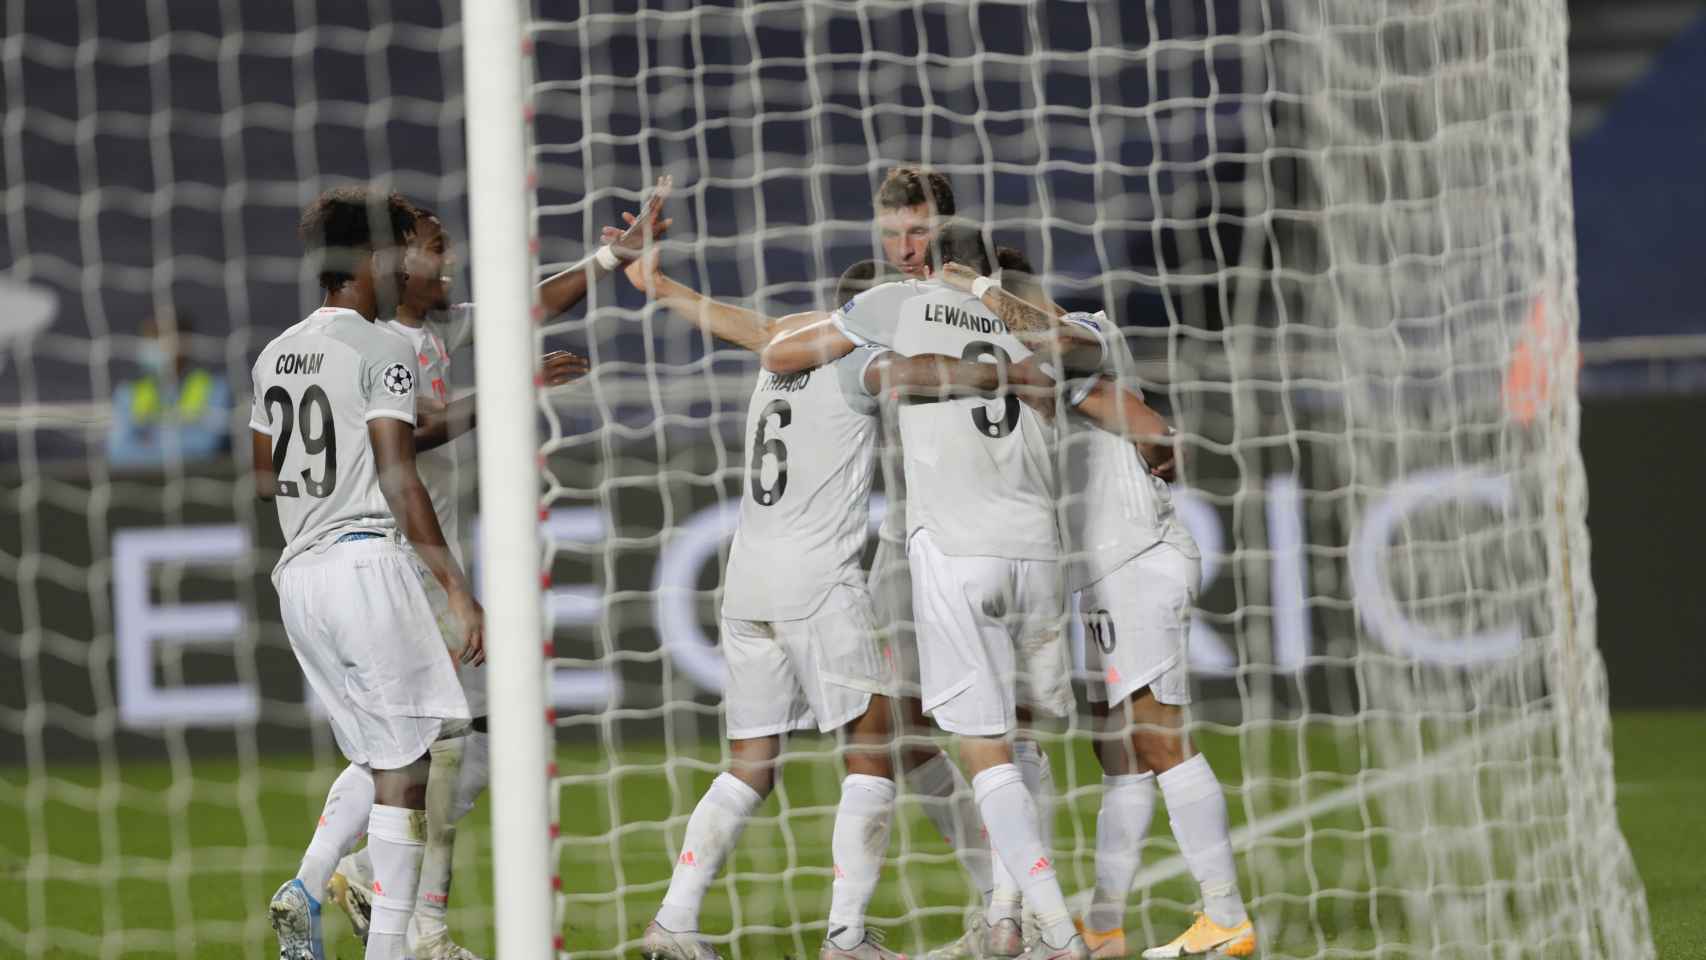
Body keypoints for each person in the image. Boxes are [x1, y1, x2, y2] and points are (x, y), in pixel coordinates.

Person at [611, 167, 1003, 958]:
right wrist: (998, 363)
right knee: (878, 744)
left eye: (916, 233)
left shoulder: (786, 350)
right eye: (896, 238)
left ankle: (672, 923)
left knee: (753, 763)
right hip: (818, 582)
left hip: (746, 580)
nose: (907, 251)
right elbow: (910, 374)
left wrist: (657, 285)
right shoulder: (866, 353)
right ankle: (847, 936)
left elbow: (754, 328)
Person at [305, 181, 672, 960]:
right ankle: (387, 907)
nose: (450, 260)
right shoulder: (379, 346)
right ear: (393, 258)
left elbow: (530, 305)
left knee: (461, 742)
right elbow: (411, 442)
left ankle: (372, 880)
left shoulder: (433, 327)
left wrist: (613, 254)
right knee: (436, 743)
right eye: (435, 246)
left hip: (427, 555)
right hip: (398, 561)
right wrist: (511, 391)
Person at [937, 264, 1256, 959]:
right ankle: (1105, 927)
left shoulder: (1083, 335)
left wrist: (983, 292)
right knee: (1118, 748)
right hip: (1102, 572)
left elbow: (1117, 399)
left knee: (1157, 734)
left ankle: (1226, 915)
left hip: (1136, 556)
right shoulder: (1031, 362)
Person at [254, 186, 479, 960]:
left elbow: (264, 471)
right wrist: (454, 584)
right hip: (364, 563)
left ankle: (314, 891)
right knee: (411, 769)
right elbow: (399, 472)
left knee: (388, 756)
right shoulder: (381, 349)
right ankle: (392, 945)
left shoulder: (274, 352)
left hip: (300, 574)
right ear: (370, 261)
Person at [108, 308, 231, 467]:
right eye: (148, 339)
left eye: (157, 338)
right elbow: (118, 452)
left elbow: (204, 448)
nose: (150, 347)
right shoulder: (128, 393)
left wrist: (149, 443)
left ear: (182, 345)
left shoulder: (215, 390)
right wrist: (175, 443)